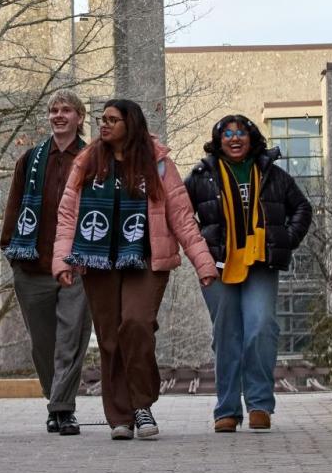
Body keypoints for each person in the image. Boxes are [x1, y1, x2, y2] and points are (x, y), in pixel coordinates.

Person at [52, 99, 218, 441]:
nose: (104, 125)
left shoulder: (157, 163)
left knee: (137, 324)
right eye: (102, 119)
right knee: (111, 338)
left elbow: (182, 217)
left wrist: (202, 261)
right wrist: (62, 260)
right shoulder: (87, 161)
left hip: (145, 259)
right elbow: (68, 215)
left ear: (131, 123)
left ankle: (142, 404)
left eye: (113, 119)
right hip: (99, 261)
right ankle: (121, 417)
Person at [183, 113, 312, 433]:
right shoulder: (201, 175)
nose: (235, 138)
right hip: (218, 265)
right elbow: (181, 217)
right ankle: (226, 409)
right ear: (218, 141)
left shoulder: (274, 174)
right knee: (226, 334)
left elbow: (302, 208)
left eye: (241, 132)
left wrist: (285, 240)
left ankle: (258, 404)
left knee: (260, 327)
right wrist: (201, 250)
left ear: (252, 138)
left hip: (260, 263)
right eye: (227, 133)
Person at [0, 90, 93, 436]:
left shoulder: (93, 158)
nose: (58, 115)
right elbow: (14, 203)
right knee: (44, 344)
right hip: (33, 263)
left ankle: (62, 409)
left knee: (71, 340)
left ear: (80, 117)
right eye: (53, 110)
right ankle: (54, 399)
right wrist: (11, 249)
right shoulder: (31, 158)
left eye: (66, 110)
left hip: (77, 265)